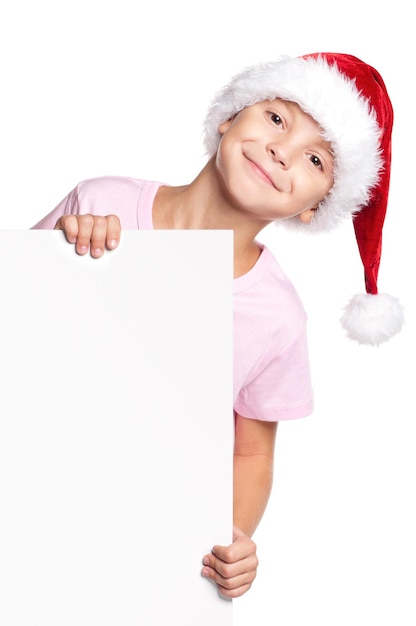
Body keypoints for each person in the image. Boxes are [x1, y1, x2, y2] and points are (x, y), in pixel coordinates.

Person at [32, 52, 404, 598]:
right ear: (230, 116)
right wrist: (65, 249)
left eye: (316, 160)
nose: (282, 151)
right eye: (277, 118)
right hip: (30, 487)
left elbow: (252, 452)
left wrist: (232, 538)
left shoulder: (277, 315)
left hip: (126, 547)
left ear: (316, 206)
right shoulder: (100, 201)